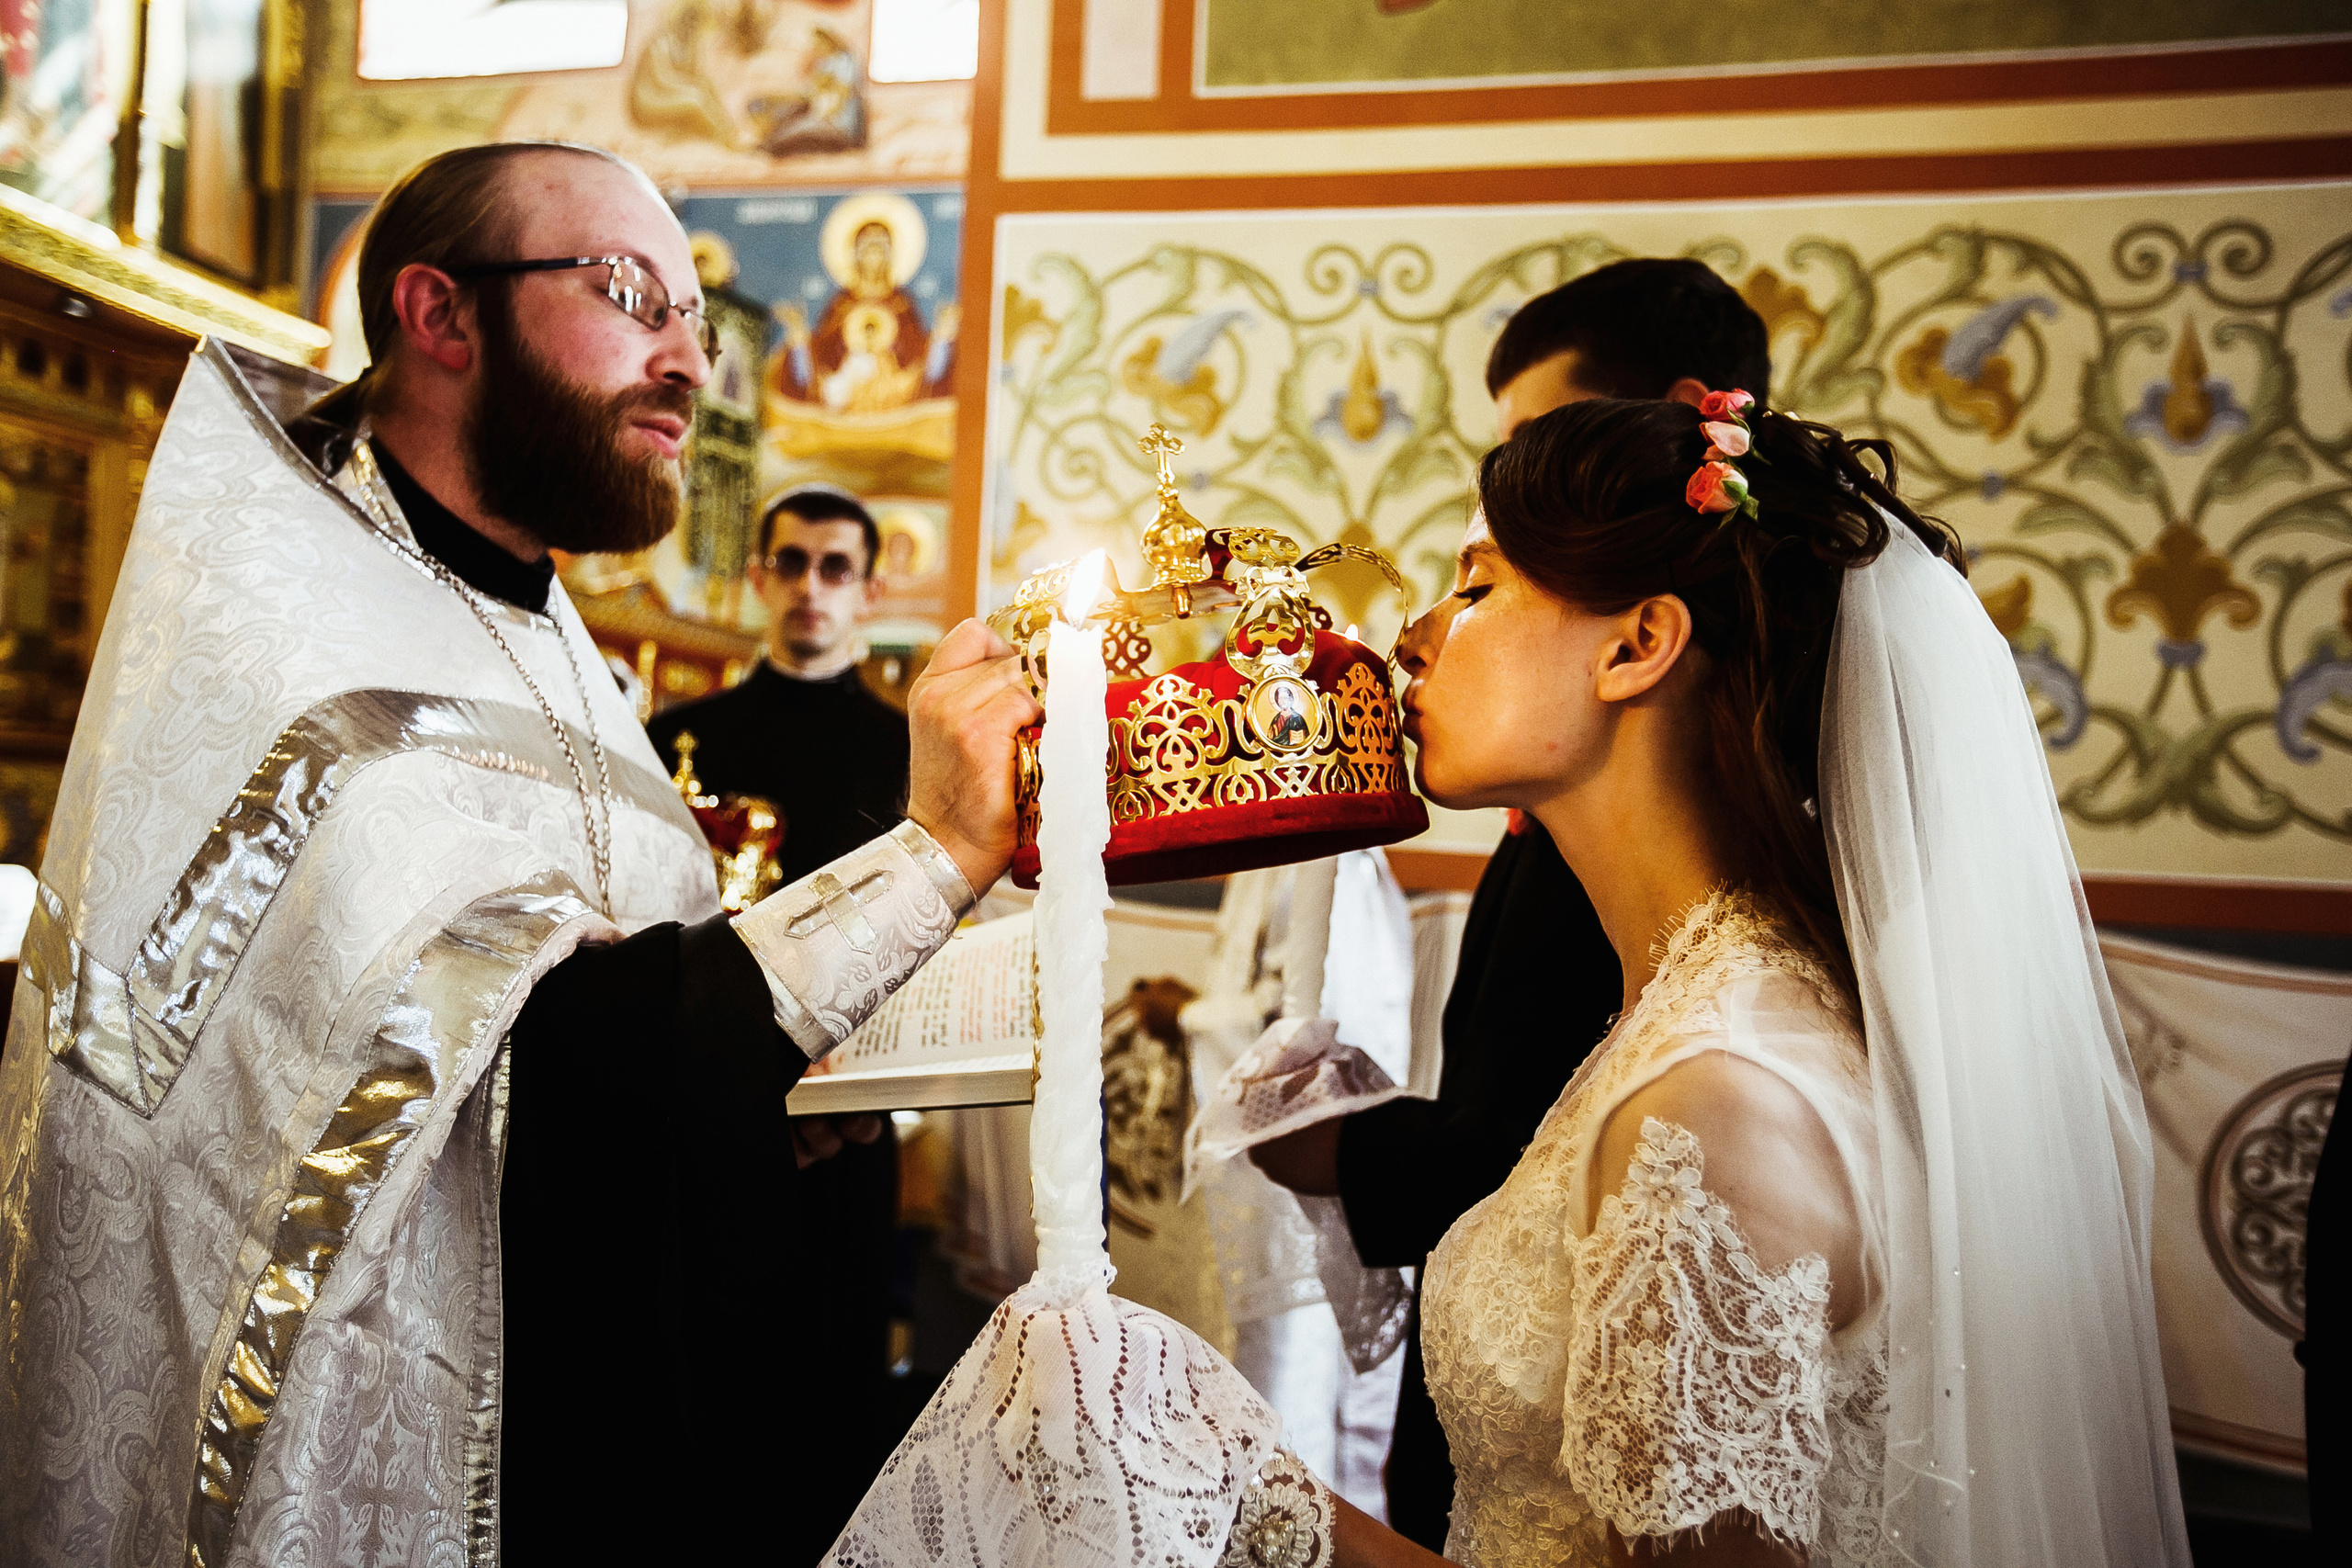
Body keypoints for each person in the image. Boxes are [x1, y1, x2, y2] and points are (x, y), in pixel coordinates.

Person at [0, 141, 1040, 1567]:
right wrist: (938, 851)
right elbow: (548, 1048)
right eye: (632, 296)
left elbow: (606, 1058)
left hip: (606, 1424)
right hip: (430, 1448)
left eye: (699, 320)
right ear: (440, 316)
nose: (690, 364)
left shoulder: (551, 642)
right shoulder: (306, 644)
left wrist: (784, 1091)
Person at [1250, 255, 1773, 1546]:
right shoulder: (1669, 975)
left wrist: (1235, 1489)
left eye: (1478, 583)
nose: (1412, 636)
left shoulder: (1711, 1112)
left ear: (1639, 639)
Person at [646, 484, 911, 1562]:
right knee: (705, 1374)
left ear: (868, 589)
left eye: (835, 567)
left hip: (850, 1119)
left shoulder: (909, 755)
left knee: (835, 1383)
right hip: (702, 1114)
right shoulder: (677, 741)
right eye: (791, 563)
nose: (811, 587)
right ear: (758, 577)